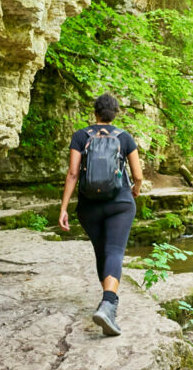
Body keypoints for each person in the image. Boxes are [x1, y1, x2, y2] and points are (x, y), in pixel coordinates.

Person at [59, 93, 144, 336]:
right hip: (120, 204)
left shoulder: (80, 136)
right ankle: (108, 305)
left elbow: (73, 174)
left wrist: (64, 208)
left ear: (95, 113)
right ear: (114, 113)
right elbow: (137, 175)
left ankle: (107, 303)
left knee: (101, 251)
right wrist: (135, 191)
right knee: (114, 251)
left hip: (89, 207)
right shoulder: (125, 137)